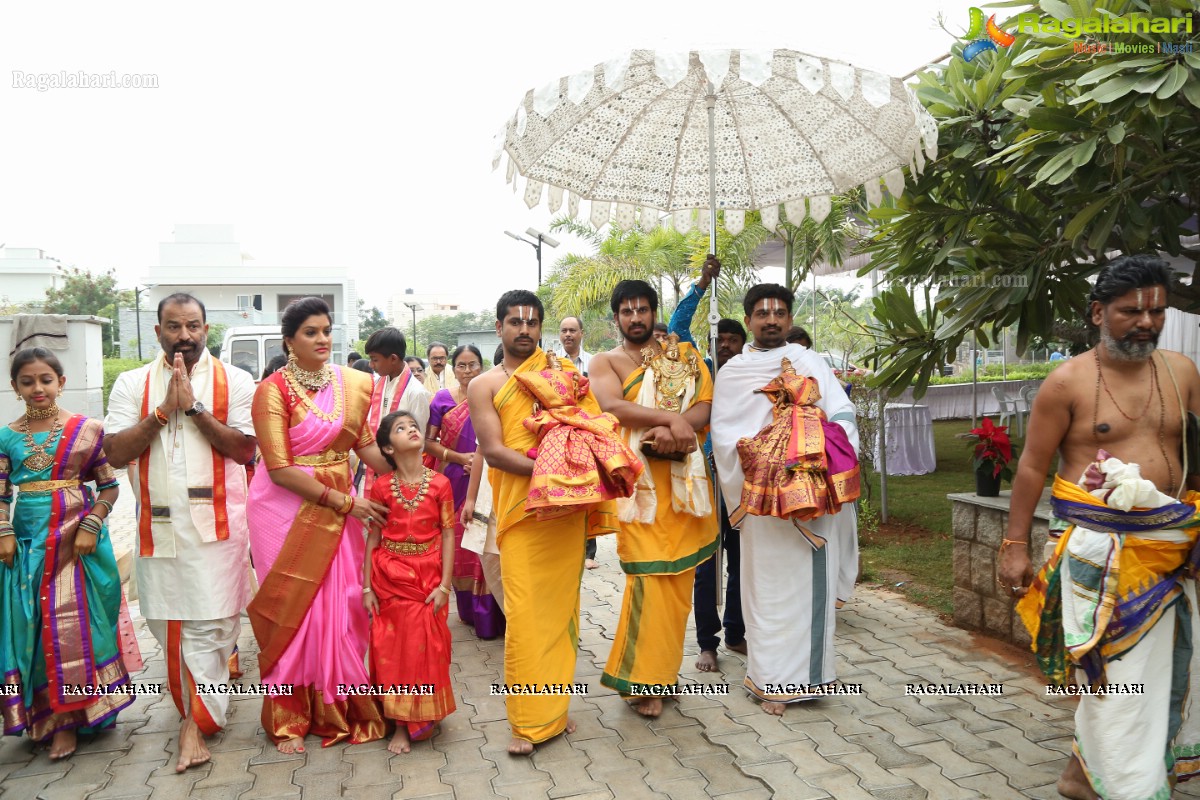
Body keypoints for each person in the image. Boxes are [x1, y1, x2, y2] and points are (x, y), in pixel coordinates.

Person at [1001, 256, 1200, 800]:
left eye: (1157, 311)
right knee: (1116, 675)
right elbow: (1031, 467)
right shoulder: (1066, 382)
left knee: (1158, 671)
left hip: (1171, 547)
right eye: (1130, 312)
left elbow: (1196, 453)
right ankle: (1126, 786)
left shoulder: (1182, 371)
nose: (1147, 323)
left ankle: (1083, 777)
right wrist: (1014, 546)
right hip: (1098, 551)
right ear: (1097, 312)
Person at [104, 292, 257, 772]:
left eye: (193, 326)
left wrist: (193, 409)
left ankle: (198, 719)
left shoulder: (235, 380)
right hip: (159, 530)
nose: (184, 336)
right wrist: (161, 411)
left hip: (219, 531)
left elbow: (245, 450)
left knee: (214, 625)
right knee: (169, 625)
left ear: (206, 329)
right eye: (174, 327)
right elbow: (113, 452)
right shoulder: (132, 384)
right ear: (157, 332)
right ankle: (193, 715)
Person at [467, 290, 616, 754]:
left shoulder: (565, 374)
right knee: (528, 617)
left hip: (565, 514)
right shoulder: (485, 385)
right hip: (521, 513)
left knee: (560, 613)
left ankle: (555, 711)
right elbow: (492, 450)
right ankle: (528, 724)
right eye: (514, 322)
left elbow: (593, 428)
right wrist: (557, 471)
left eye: (532, 322)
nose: (524, 329)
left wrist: (577, 470)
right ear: (499, 327)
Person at [245, 296, 391, 753]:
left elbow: (366, 448)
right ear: (289, 341)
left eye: (326, 330)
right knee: (295, 608)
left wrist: (413, 476)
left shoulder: (352, 384)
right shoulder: (272, 390)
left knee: (343, 604)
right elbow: (280, 468)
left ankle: (341, 704)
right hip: (284, 510)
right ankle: (291, 715)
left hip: (340, 506)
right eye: (311, 332)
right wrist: (345, 503)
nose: (323, 339)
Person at [710, 283, 860, 715]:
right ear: (750, 319)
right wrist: (771, 461)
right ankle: (771, 680)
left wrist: (814, 455)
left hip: (812, 496)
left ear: (790, 319)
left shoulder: (812, 362)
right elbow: (724, 435)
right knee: (769, 591)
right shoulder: (736, 372)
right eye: (762, 313)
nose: (771, 320)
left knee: (811, 589)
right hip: (763, 503)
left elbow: (843, 415)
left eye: (779, 312)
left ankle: (811, 680)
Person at [590, 280, 717, 717]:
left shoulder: (680, 354)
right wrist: (670, 420)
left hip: (683, 487)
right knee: (647, 582)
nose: (636, 318)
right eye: (627, 311)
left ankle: (659, 675)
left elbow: (705, 402)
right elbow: (611, 406)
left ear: (653, 311)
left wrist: (676, 428)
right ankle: (641, 684)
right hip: (639, 492)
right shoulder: (604, 361)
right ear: (616, 318)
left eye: (643, 309)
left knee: (678, 588)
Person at [0, 348, 128, 759]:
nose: (38, 388)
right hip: (29, 546)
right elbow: (1, 494)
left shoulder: (88, 429)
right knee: (32, 625)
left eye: (45, 379)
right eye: (27, 381)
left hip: (78, 543)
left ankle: (70, 722)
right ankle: (43, 715)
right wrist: (3, 531)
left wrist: (92, 524)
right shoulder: (6, 436)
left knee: (71, 623)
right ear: (16, 387)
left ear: (61, 382)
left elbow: (109, 486)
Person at [666, 257, 748, 672]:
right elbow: (677, 326)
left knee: (741, 558)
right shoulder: (702, 369)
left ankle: (736, 631)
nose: (728, 345)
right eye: (723, 338)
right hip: (704, 473)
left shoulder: (754, 375)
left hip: (743, 480)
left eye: (735, 339)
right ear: (713, 342)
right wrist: (701, 284)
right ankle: (706, 642)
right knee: (705, 562)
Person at [365, 411, 456, 754]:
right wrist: (366, 588)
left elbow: (448, 535)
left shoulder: (440, 484)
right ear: (388, 448)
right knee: (391, 649)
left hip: (428, 575)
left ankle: (424, 711)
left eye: (413, 425)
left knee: (427, 647)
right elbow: (373, 539)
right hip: (389, 576)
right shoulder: (380, 486)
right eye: (401, 429)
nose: (412, 430)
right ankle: (402, 723)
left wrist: (445, 586)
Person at [427, 344, 504, 639]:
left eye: (473, 365)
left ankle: (493, 617)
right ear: (452, 368)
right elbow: (429, 442)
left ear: (481, 367)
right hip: (455, 480)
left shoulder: (491, 396)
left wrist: (481, 462)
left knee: (484, 545)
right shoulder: (442, 400)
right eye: (461, 365)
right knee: (461, 546)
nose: (468, 371)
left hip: (488, 480)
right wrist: (461, 459)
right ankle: (470, 613)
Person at [364, 327, 431, 489]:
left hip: (402, 471)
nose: (371, 365)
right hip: (372, 465)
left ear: (393, 359)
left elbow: (416, 441)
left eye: (375, 359)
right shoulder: (377, 383)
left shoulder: (416, 392)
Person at [556, 316, 597, 567]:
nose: (568, 334)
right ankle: (564, 545)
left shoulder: (594, 363)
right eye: (564, 330)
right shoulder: (549, 362)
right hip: (560, 434)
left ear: (582, 333)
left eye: (573, 330)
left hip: (588, 433)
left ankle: (589, 552)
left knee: (588, 488)